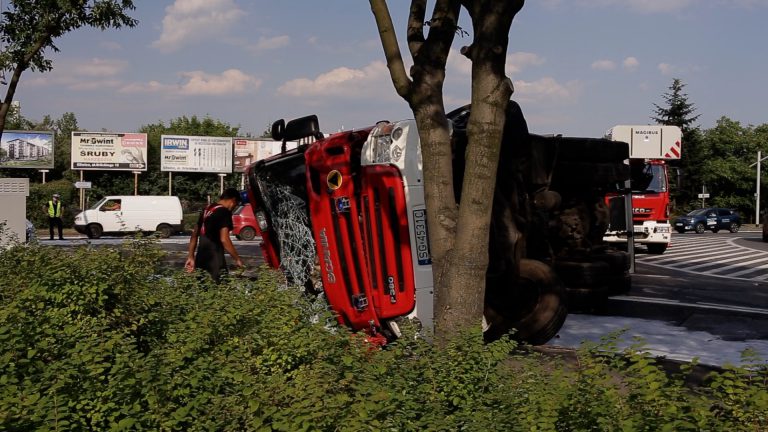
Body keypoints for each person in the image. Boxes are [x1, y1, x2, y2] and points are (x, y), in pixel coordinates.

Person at [185, 188, 245, 282]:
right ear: (233, 200)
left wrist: (191, 256)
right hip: (215, 259)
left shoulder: (207, 209)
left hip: (200, 258)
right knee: (220, 288)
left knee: (203, 289)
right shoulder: (224, 212)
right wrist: (237, 259)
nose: (234, 208)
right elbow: (224, 239)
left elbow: (194, 235)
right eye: (236, 204)